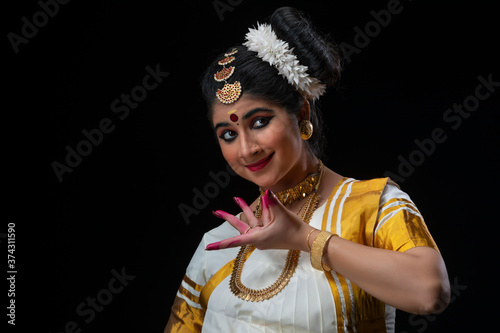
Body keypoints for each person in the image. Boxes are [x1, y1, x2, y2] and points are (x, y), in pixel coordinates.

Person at [165, 7, 450, 332]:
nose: (246, 149)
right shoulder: (219, 242)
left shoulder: (371, 207)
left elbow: (430, 293)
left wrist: (305, 238)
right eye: (228, 134)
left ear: (301, 113)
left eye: (259, 122)